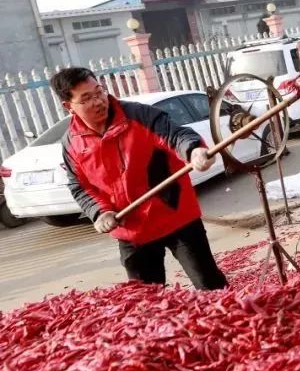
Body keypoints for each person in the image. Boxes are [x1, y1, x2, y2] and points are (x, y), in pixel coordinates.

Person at [51, 67, 228, 290]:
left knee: (209, 283)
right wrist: (99, 212)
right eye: (86, 98)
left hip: (174, 215)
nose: (98, 101)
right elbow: (79, 186)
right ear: (68, 106)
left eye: (99, 92)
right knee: (146, 299)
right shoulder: (72, 143)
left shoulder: (139, 115)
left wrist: (193, 151)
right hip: (132, 230)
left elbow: (175, 135)